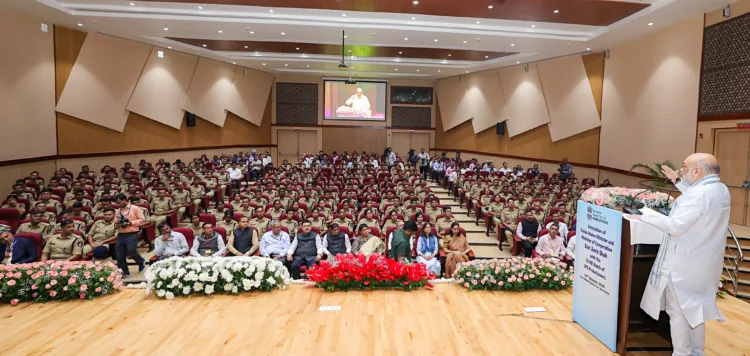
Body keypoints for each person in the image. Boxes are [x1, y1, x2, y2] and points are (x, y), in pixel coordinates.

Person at [625, 153, 729, 356]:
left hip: (683, 265)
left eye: (684, 167)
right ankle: (697, 352)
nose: (681, 170)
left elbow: (675, 226)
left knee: (679, 313)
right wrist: (677, 181)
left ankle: (682, 353)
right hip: (704, 265)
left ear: (697, 171)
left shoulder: (700, 195)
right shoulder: (720, 190)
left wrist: (644, 212)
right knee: (695, 312)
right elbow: (696, 201)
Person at [113, 194, 146, 277]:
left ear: (125, 200)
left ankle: (141, 261)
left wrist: (131, 223)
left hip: (132, 233)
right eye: (117, 203)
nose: (118, 205)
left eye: (119, 202)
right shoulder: (118, 211)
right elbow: (115, 222)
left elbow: (142, 220)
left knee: (131, 251)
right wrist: (117, 225)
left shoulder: (135, 208)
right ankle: (124, 272)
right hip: (121, 234)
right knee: (119, 254)